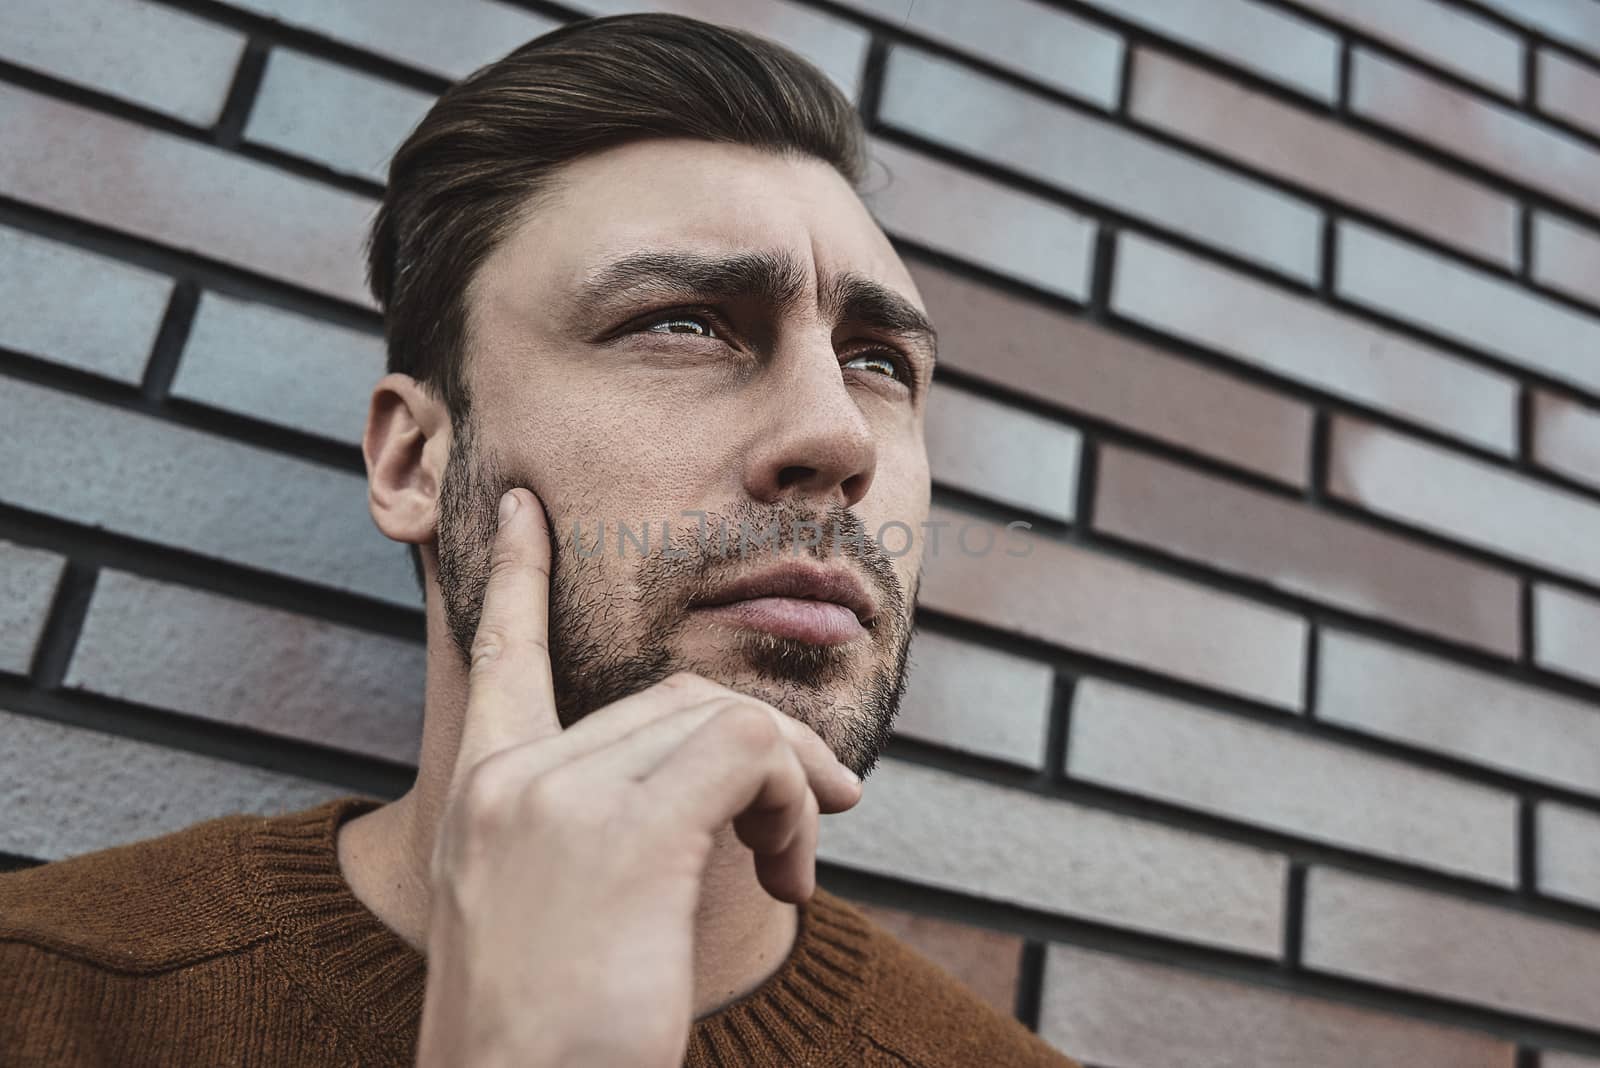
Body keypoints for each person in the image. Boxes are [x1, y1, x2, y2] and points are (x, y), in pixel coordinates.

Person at [0, 13, 1080, 1067]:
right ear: (414, 463)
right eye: (682, 323)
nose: (836, 439)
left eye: (880, 363)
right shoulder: (40, 991)